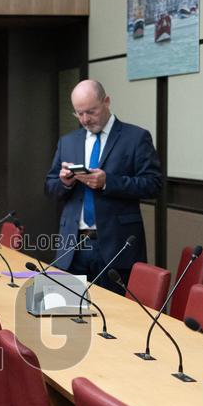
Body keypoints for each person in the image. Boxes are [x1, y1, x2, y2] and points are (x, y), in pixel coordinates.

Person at [44, 79, 162, 288]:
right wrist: (65, 182)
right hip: (72, 246)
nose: (85, 119)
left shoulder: (135, 137)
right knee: (66, 315)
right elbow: (50, 187)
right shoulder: (68, 141)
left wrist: (109, 182)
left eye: (91, 111)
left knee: (113, 316)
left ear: (106, 101)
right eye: (79, 114)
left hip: (117, 246)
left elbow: (153, 184)